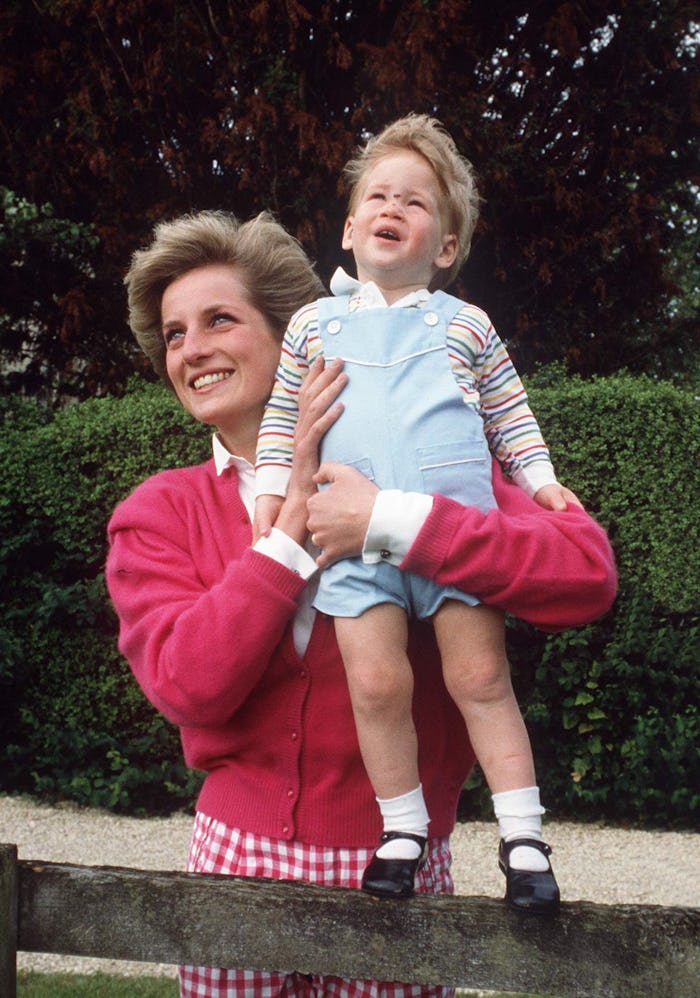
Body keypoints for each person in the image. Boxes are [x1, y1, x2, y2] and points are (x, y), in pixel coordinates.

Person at [107, 208, 616, 998]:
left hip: (399, 873)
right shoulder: (159, 511)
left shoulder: (438, 468)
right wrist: (286, 536)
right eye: (174, 334)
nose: (192, 349)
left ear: (299, 334)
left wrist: (394, 522)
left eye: (218, 320)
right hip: (234, 866)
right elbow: (189, 686)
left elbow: (586, 575)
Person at [255, 114, 578, 910]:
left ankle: (523, 836)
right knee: (375, 682)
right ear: (350, 227)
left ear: (444, 246)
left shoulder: (466, 324)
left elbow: (510, 414)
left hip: (451, 534)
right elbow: (281, 418)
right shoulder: (310, 325)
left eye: (416, 200)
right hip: (348, 539)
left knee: (480, 676)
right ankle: (401, 828)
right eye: (378, 195)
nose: (392, 205)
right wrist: (272, 493)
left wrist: (540, 481)